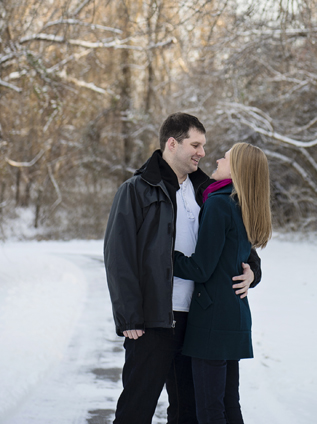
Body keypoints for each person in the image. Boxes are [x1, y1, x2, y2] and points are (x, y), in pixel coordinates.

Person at [104, 113, 262, 424]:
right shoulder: (136, 190)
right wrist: (128, 315)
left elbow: (239, 239)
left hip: (200, 319)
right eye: (195, 144)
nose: (202, 153)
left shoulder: (208, 189)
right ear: (172, 143)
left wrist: (253, 270)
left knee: (188, 410)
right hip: (153, 319)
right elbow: (118, 256)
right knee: (137, 406)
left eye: (204, 146)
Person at [173, 142, 272, 424]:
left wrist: (164, 257)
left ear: (237, 169)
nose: (216, 159)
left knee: (210, 409)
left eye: (225, 158)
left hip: (212, 320)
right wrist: (253, 272)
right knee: (229, 404)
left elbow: (200, 268)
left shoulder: (219, 203)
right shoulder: (243, 204)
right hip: (235, 315)